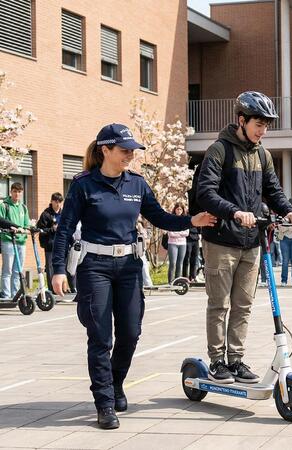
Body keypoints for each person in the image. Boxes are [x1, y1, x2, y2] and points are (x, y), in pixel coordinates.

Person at [50, 123, 217, 429]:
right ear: (106, 150)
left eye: (132, 151)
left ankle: (115, 383)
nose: (130, 155)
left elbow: (159, 216)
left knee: (130, 332)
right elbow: (64, 230)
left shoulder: (137, 184)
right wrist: (58, 269)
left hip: (128, 267)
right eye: (124, 150)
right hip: (94, 267)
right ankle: (104, 403)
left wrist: (191, 220)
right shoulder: (83, 185)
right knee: (100, 337)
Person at [195, 91, 292, 385]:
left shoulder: (262, 155)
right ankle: (217, 362)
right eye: (258, 124)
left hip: (251, 242)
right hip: (221, 240)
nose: (263, 131)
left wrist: (289, 211)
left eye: (266, 126)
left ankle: (236, 360)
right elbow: (206, 193)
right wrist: (234, 212)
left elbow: (274, 190)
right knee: (219, 304)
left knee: (244, 304)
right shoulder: (219, 151)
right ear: (241, 120)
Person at [0, 182, 30, 298]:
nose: (17, 194)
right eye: (15, 191)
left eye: (19, 192)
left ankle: (15, 295)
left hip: (21, 242)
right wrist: (12, 228)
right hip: (8, 240)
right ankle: (6, 295)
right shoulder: (4, 205)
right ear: (11, 192)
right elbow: (1, 221)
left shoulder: (23, 207)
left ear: (22, 193)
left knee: (18, 270)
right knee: (7, 270)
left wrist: (28, 230)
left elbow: (26, 224)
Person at [36, 192, 64, 291]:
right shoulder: (46, 214)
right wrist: (52, 229)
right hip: (50, 244)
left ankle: (63, 288)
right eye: (55, 201)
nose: (58, 204)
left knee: (62, 266)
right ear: (51, 201)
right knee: (50, 267)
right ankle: (52, 289)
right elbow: (40, 229)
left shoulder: (63, 213)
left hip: (62, 244)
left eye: (60, 201)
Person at [166, 203, 190, 283]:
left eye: (180, 209)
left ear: (183, 210)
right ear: (175, 210)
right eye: (177, 209)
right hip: (172, 244)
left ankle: (177, 281)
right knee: (173, 263)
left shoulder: (185, 219)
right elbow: (170, 233)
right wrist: (180, 232)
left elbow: (187, 233)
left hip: (182, 244)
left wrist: (177, 232)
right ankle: (170, 282)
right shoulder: (171, 219)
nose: (179, 211)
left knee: (180, 264)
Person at [136, 217, 153, 287]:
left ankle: (148, 284)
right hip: (133, 250)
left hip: (141, 250)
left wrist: (140, 231)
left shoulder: (144, 230)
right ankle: (141, 283)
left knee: (144, 266)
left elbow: (147, 242)